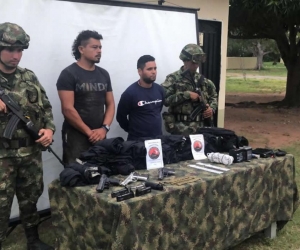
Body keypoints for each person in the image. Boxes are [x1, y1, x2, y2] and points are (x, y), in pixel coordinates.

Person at [0, 23, 55, 250]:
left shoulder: (29, 77)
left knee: (30, 198)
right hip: (2, 156)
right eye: (11, 50)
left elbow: (47, 107)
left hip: (30, 153)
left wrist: (49, 130)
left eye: (20, 50)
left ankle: (33, 240)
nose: (16, 56)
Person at [56, 30, 115, 164]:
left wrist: (104, 129)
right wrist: (89, 133)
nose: (99, 51)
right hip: (76, 138)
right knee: (76, 177)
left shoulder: (104, 74)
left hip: (100, 135)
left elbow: (110, 104)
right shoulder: (68, 74)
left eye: (100, 47)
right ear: (81, 49)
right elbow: (67, 109)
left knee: (101, 174)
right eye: (94, 47)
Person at [161, 43, 218, 136]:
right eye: (193, 62)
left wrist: (211, 108)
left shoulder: (204, 81)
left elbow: (213, 96)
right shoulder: (173, 79)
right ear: (185, 60)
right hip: (180, 129)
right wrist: (185, 95)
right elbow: (165, 100)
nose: (196, 65)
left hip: (201, 129)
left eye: (198, 62)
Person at [116, 55, 165, 140]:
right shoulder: (130, 93)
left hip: (157, 140)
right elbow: (120, 117)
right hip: (137, 142)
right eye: (149, 69)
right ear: (140, 71)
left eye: (155, 68)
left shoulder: (160, 90)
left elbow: (158, 110)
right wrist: (133, 131)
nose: (153, 72)